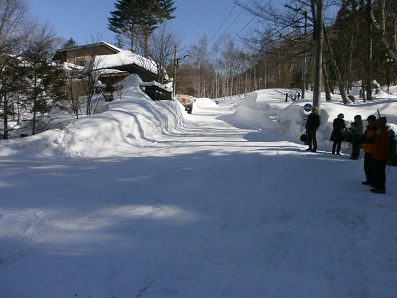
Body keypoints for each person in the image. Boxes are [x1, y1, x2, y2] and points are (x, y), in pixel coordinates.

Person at [371, 117, 390, 194]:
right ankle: (377, 185)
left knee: (380, 172)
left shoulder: (384, 133)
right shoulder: (380, 131)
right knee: (376, 171)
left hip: (381, 156)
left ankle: (381, 188)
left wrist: (379, 153)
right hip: (377, 155)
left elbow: (384, 145)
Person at [361, 115, 376, 185]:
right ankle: (369, 179)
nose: (369, 122)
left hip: (374, 151)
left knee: (373, 167)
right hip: (367, 150)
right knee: (367, 166)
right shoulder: (368, 129)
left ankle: (373, 180)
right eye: (368, 121)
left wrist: (367, 140)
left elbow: (375, 139)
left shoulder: (377, 129)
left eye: (371, 120)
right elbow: (364, 137)